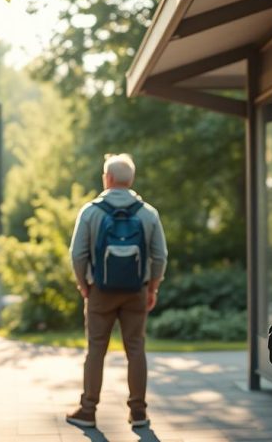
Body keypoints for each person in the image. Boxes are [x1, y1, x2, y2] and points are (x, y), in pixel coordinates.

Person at [65, 153, 168, 430]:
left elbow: (77, 254)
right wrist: (152, 287)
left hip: (100, 291)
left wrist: (83, 284)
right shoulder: (148, 213)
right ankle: (139, 413)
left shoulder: (90, 211)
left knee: (96, 349)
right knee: (135, 349)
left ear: (107, 178)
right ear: (130, 179)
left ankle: (87, 411)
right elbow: (160, 256)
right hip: (137, 290)